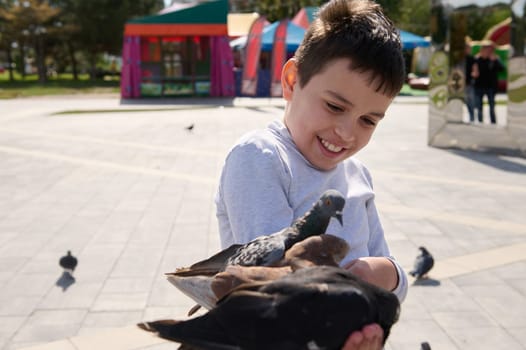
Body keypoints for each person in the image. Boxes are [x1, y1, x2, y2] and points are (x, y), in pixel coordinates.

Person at [215, 0, 407, 348]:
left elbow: (395, 276)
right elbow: (276, 284)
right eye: (335, 106)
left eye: (368, 120)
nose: (347, 133)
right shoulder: (261, 158)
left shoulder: (357, 175)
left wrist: (381, 274)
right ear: (291, 80)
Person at [472, 41, 504, 124]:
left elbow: (502, 69)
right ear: (482, 50)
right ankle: (480, 122)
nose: (488, 52)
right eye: (486, 49)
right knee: (479, 107)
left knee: (492, 106)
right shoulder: (476, 59)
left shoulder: (495, 59)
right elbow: (472, 72)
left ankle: (493, 122)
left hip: (491, 87)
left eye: (490, 50)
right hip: (479, 86)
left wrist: (495, 61)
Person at [464, 40, 476, 122]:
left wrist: (474, 74)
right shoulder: (458, 58)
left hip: (468, 83)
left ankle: (472, 116)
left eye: (469, 48)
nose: (468, 50)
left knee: (470, 101)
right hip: (458, 83)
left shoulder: (472, 59)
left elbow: (475, 70)